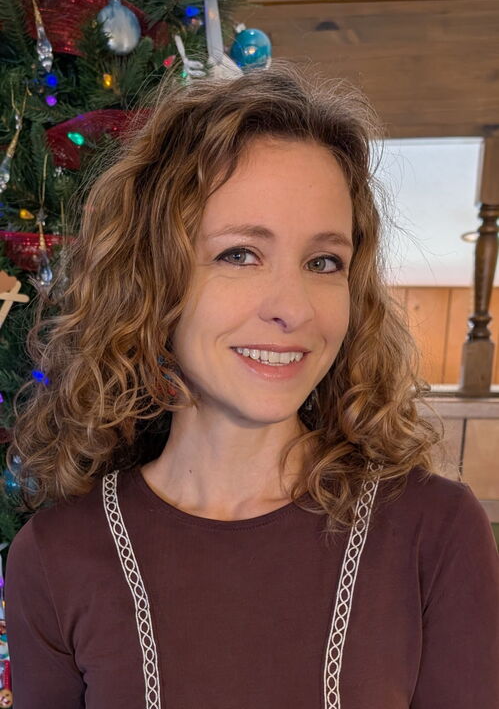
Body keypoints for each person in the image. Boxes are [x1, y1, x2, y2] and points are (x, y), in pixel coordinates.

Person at [4, 62, 499, 709]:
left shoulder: (432, 531)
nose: (292, 307)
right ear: (154, 277)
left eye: (323, 261)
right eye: (239, 254)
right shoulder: (57, 554)